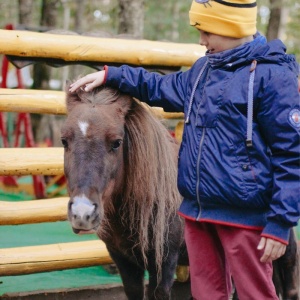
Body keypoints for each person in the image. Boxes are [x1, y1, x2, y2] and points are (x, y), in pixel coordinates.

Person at [69, 0, 300, 299]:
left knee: (255, 293)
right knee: (205, 293)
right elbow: (158, 87)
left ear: (230, 27)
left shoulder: (272, 77)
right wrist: (111, 76)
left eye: (206, 31)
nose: (201, 40)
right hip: (197, 213)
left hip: (245, 216)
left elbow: (291, 155)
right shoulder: (202, 70)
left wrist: (281, 222)